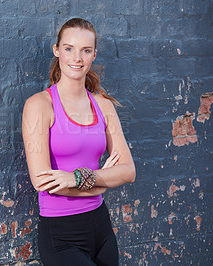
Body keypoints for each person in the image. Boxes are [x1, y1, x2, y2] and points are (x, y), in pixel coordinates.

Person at [22, 18, 136, 266]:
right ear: (57, 50)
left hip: (101, 228)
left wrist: (76, 178)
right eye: (69, 48)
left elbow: (128, 171)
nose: (77, 58)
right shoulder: (39, 106)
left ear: (94, 54)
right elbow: (43, 182)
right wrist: (103, 181)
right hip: (61, 235)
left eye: (85, 50)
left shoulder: (103, 106)